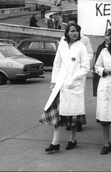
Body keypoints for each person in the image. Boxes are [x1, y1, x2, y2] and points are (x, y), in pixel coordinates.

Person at [39, 23, 90, 153]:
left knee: (73, 115)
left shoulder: (81, 47)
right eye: (72, 31)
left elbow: (85, 67)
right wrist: (53, 81)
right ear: (67, 32)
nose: (75, 33)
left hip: (74, 85)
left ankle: (72, 139)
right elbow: (57, 64)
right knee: (58, 114)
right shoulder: (61, 46)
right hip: (61, 85)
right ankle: (55, 143)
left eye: (77, 31)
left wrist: (74, 79)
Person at [67, 17, 94, 132]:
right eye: (68, 26)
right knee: (67, 99)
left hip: (79, 73)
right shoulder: (64, 40)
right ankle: (68, 122)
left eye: (73, 26)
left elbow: (90, 54)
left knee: (77, 99)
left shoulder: (85, 40)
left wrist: (83, 65)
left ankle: (78, 123)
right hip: (68, 73)